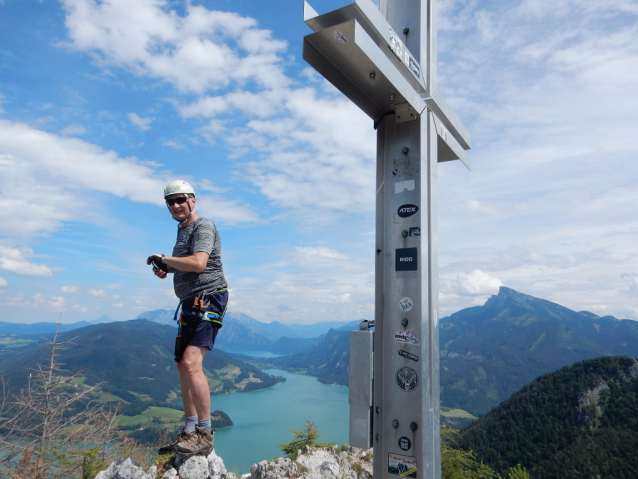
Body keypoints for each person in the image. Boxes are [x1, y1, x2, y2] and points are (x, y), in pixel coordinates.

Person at [147, 179, 228, 455]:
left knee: (192, 362)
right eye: (171, 201)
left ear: (193, 200)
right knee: (183, 364)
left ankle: (204, 433)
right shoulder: (183, 231)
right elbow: (187, 265)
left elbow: (198, 263)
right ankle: (190, 430)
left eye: (181, 199)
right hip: (191, 301)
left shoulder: (202, 226)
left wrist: (165, 259)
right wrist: (166, 269)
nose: (176, 205)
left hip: (209, 297)